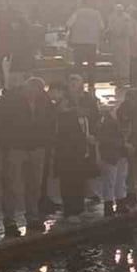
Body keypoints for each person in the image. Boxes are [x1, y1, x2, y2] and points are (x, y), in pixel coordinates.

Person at [0, 76, 54, 234]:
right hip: (15, 147)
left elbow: (50, 121)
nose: (34, 94)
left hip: (37, 147)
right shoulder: (10, 100)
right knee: (12, 185)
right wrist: (5, 145)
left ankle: (32, 216)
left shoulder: (44, 101)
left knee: (34, 185)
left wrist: (46, 141)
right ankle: (10, 220)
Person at [53, 87, 96, 222]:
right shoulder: (65, 117)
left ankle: (79, 208)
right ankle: (69, 211)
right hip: (68, 154)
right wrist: (85, 139)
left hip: (81, 153)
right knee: (68, 183)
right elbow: (67, 137)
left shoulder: (80, 117)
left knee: (79, 181)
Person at [95, 104, 129, 216]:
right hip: (112, 154)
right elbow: (106, 139)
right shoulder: (109, 123)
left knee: (116, 180)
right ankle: (114, 204)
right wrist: (123, 144)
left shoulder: (107, 121)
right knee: (113, 180)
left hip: (115, 154)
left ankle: (113, 204)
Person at [67, 0, 105, 89]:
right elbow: (102, 27)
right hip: (92, 43)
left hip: (78, 42)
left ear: (81, 4)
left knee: (78, 65)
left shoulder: (77, 13)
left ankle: (79, 84)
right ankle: (91, 84)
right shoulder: (96, 13)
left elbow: (68, 24)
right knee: (91, 65)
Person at [106, 4, 137, 86]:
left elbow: (130, 30)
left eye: (120, 10)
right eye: (117, 10)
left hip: (124, 40)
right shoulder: (112, 17)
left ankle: (125, 78)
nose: (119, 11)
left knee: (124, 59)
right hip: (114, 40)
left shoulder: (127, 17)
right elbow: (110, 28)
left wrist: (123, 33)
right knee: (115, 59)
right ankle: (116, 77)